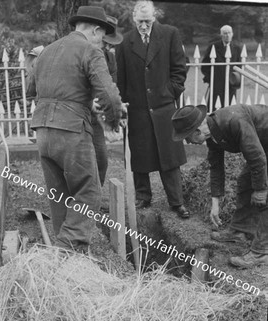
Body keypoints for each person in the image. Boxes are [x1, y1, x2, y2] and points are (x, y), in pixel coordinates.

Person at [31, 6, 123, 255]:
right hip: (71, 130)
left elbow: (31, 90)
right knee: (89, 192)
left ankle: (68, 260)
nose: (101, 42)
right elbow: (109, 95)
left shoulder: (48, 50)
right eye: (102, 36)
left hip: (42, 131)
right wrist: (114, 122)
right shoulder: (91, 50)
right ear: (95, 30)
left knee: (59, 195)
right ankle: (64, 249)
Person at [116, 0, 189, 219]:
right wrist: (123, 106)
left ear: (154, 18)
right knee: (139, 155)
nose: (144, 26)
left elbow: (180, 69)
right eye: (140, 22)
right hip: (137, 109)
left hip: (164, 108)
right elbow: (121, 80)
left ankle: (177, 202)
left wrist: (169, 93)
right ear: (133, 19)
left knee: (170, 158)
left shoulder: (170, 34)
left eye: (148, 21)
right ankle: (143, 197)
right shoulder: (124, 42)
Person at [171, 104, 268, 268]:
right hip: (263, 145)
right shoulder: (212, 131)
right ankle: (240, 230)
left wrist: (260, 189)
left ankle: (261, 252)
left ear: (197, 131)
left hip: (262, 146)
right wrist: (215, 204)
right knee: (245, 182)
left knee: (264, 196)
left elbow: (257, 158)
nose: (188, 142)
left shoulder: (234, 121)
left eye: (187, 137)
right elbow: (216, 166)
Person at [92, 15, 123, 186]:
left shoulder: (110, 59)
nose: (109, 47)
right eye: (107, 42)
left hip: (98, 117)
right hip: (79, 116)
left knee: (101, 160)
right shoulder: (84, 53)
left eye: (112, 44)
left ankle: (94, 201)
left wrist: (116, 108)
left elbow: (111, 86)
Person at [201, 25, 242, 110]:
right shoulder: (213, 47)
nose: (227, 35)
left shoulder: (237, 48)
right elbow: (205, 65)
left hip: (231, 83)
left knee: (231, 107)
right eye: (225, 33)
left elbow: (239, 67)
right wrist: (211, 79)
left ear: (232, 34)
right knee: (214, 107)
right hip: (216, 83)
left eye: (229, 33)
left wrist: (235, 80)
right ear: (221, 35)